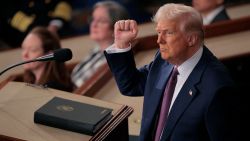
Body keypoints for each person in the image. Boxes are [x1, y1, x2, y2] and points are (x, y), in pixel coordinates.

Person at [104, 3, 239, 141]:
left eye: (168, 33)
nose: (159, 40)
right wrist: (121, 44)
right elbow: (131, 85)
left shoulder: (218, 88)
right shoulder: (163, 61)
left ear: (191, 39)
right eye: (158, 32)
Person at [71, 1, 129, 88]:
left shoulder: (116, 57)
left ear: (116, 27)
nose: (93, 25)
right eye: (92, 19)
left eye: (101, 21)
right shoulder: (96, 50)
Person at [0, 0, 72, 48]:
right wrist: (39, 32)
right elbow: (10, 12)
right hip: (24, 37)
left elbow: (64, 3)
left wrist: (54, 26)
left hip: (57, 32)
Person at [21, 26, 73, 92]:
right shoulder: (32, 82)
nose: (24, 54)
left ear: (49, 55)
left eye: (32, 50)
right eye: (23, 48)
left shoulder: (53, 88)